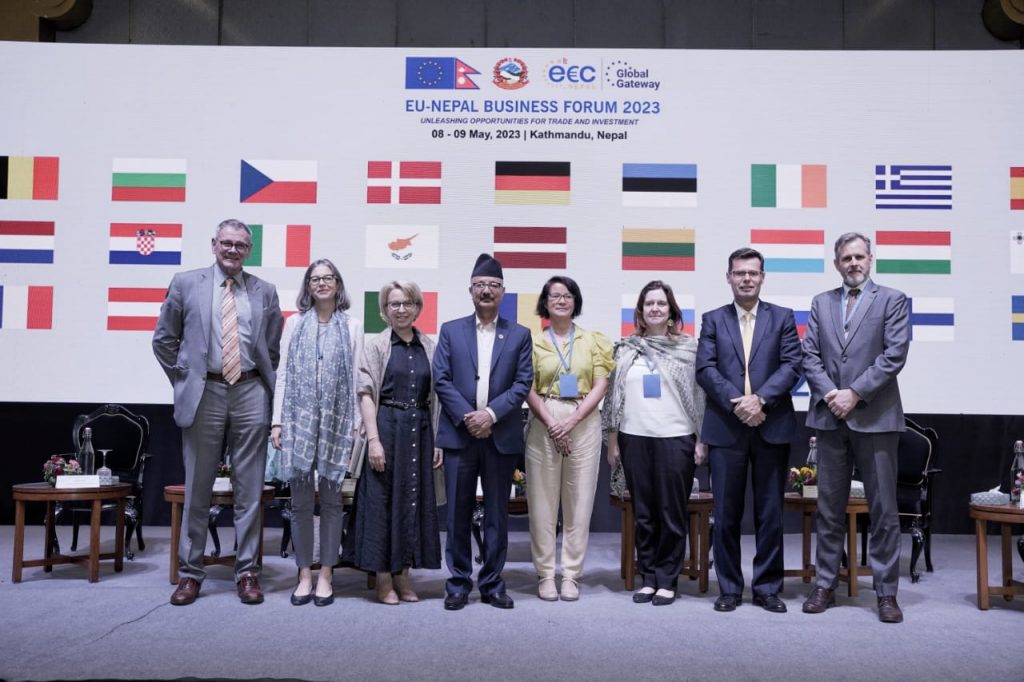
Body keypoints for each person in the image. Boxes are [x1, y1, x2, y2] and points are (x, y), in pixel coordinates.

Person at [153, 218, 282, 606]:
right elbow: (164, 340)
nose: (232, 250)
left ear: (249, 249)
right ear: (213, 244)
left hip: (250, 391)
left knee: (250, 490)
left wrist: (262, 383)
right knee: (198, 489)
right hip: (205, 390)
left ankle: (247, 573)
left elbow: (272, 349)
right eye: (226, 243)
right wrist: (185, 378)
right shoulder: (186, 283)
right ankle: (191, 574)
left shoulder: (266, 291)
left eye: (241, 245)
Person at [801, 232, 910, 624]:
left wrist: (855, 393)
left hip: (875, 417)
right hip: (830, 418)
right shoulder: (821, 302)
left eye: (859, 257)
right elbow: (809, 355)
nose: (853, 263)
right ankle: (825, 585)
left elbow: (894, 354)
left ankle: (886, 593)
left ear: (871, 259)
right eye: (846, 258)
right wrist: (833, 394)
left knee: (883, 511)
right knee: (829, 509)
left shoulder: (892, 300)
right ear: (836, 264)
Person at [696, 248, 802, 613]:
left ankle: (767, 588)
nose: (746, 279)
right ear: (728, 277)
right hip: (727, 426)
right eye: (739, 272)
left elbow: (792, 365)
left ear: (762, 277)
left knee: (770, 513)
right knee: (725, 513)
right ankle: (728, 588)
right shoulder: (713, 319)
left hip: (771, 425)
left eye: (752, 273)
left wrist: (760, 400)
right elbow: (705, 369)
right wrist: (739, 404)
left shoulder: (783, 317)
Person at [433, 253, 532, 611]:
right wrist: (468, 416)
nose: (486, 291)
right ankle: (458, 583)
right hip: (460, 436)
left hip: (499, 436)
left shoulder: (519, 334)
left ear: (503, 291)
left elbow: (523, 383)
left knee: (496, 515)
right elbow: (441, 379)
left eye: (493, 285)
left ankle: (492, 583)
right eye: (480, 285)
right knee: (458, 514)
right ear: (470, 290)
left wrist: (489, 414)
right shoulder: (450, 330)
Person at [603, 280, 706, 607]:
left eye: (661, 303)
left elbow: (700, 397)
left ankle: (667, 579)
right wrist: (613, 440)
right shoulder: (625, 349)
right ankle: (648, 577)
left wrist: (701, 440)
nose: (656, 309)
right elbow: (613, 397)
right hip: (634, 437)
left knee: (671, 513)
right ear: (641, 311)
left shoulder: (689, 348)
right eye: (649, 304)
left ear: (672, 310)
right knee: (644, 514)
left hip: (676, 438)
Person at [269, 259, 362, 607]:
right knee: (301, 502)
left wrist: (355, 424)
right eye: (315, 279)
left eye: (328, 278)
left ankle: (327, 572)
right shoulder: (294, 324)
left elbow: (355, 378)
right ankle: (304, 572)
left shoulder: (351, 326)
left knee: (334, 501)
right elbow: (283, 376)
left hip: (338, 423)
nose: (322, 283)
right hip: (298, 422)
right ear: (307, 286)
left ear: (338, 284)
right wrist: (277, 421)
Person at [344, 280, 443, 605]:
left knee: (411, 504)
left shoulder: (429, 346)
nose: (401, 309)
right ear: (385, 310)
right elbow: (366, 395)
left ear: (417, 307)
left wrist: (438, 441)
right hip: (386, 428)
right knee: (382, 503)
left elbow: (437, 397)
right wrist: (374, 440)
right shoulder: (376, 346)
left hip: (420, 431)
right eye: (394, 304)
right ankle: (383, 579)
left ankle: (404, 575)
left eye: (407, 303)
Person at [525, 276, 613, 602]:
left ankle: (571, 575)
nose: (561, 300)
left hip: (585, 418)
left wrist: (573, 419)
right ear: (545, 303)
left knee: (579, 504)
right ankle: (546, 574)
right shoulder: (532, 342)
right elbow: (526, 386)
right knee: (542, 504)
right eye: (554, 295)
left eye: (567, 295)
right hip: (543, 419)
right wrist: (552, 422)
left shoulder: (593, 340)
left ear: (575, 301)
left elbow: (601, 383)